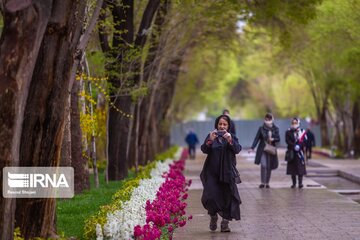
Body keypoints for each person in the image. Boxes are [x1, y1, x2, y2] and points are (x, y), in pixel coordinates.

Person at [200, 114, 242, 232]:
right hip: (212, 172)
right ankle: (213, 216)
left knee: (227, 198)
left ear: (228, 126)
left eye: (225, 124)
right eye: (220, 124)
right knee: (209, 197)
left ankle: (225, 223)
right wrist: (210, 141)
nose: (222, 126)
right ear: (216, 125)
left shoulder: (232, 137)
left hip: (227, 173)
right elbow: (204, 149)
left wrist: (230, 141)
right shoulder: (211, 136)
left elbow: (238, 149)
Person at [249, 113, 280, 188]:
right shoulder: (261, 128)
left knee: (269, 166)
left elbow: (278, 139)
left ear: (272, 120)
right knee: (263, 165)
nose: (267, 121)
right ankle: (262, 182)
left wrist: (273, 139)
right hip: (262, 149)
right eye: (266, 119)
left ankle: (267, 182)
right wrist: (252, 147)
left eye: (269, 119)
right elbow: (257, 138)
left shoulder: (276, 129)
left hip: (271, 149)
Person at [285, 118, 307, 189]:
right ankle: (294, 183)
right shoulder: (288, 131)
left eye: (295, 122)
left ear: (298, 123)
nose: (294, 124)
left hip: (299, 153)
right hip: (292, 152)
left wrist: (299, 146)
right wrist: (294, 146)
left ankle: (300, 183)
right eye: (293, 123)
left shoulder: (302, 131)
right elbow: (287, 140)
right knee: (292, 169)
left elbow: (305, 141)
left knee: (300, 168)